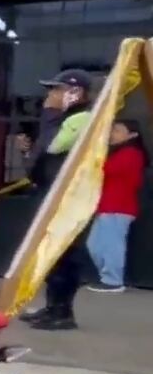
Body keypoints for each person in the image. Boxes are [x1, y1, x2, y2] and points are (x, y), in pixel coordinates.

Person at [18, 68, 94, 330]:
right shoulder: (65, 118)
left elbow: (53, 146)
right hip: (51, 192)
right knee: (51, 254)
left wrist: (50, 114)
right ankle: (53, 307)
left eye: (56, 89)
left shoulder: (81, 117)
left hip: (67, 196)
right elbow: (42, 154)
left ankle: (62, 313)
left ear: (75, 93)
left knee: (64, 255)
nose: (50, 95)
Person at [86, 119, 147, 294]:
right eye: (113, 130)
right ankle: (108, 276)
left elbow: (106, 170)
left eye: (118, 130)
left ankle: (113, 280)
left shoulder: (132, 153)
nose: (113, 134)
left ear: (132, 135)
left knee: (111, 245)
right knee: (95, 245)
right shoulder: (120, 152)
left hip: (119, 206)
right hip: (108, 206)